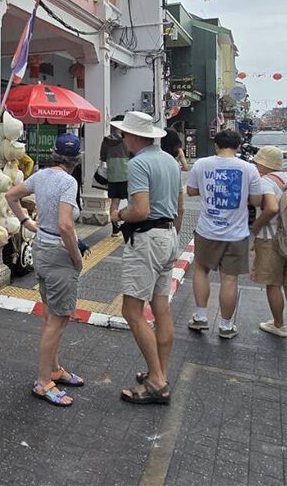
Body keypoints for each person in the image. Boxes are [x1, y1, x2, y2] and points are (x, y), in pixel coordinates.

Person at [108, 112, 183, 405]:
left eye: (125, 134)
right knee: (160, 307)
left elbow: (139, 210)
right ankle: (160, 372)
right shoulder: (170, 161)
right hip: (168, 236)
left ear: (135, 136)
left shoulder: (139, 163)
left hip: (147, 238)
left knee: (132, 311)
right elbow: (178, 206)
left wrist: (119, 215)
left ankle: (156, 381)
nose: (123, 139)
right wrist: (171, 237)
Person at [6, 132, 86, 407]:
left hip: (42, 247)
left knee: (51, 314)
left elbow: (11, 195)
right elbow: (66, 225)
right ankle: (43, 382)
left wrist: (27, 222)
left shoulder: (40, 175)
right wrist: (76, 255)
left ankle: (53, 369)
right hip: (59, 254)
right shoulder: (68, 182)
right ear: (76, 159)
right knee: (58, 318)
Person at [185, 128, 263, 339]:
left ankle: (201, 316)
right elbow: (256, 201)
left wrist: (209, 189)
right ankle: (226, 326)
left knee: (201, 271)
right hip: (236, 234)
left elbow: (191, 191)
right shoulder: (249, 169)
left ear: (216, 146)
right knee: (230, 279)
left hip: (206, 231)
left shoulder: (201, 164)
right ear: (238, 147)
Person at [250, 146, 287, 343]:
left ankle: (278, 324)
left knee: (273, 283)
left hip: (271, 239)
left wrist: (256, 227)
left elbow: (271, 209)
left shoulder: (264, 182)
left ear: (263, 164)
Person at [101, 115, 130, 235]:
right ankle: (129, 223)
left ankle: (114, 228)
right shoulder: (127, 140)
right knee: (131, 201)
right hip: (127, 174)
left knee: (114, 202)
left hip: (112, 175)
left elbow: (102, 157)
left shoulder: (106, 140)